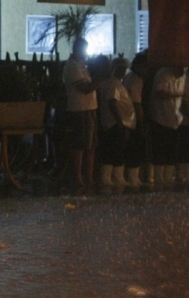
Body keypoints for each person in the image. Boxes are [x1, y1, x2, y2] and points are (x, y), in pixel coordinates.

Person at [62, 38, 100, 193]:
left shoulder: (81, 65)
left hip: (89, 108)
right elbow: (85, 88)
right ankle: (78, 177)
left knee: (90, 145)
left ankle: (88, 177)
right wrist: (100, 80)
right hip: (80, 110)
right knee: (80, 145)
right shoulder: (72, 67)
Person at [98, 57, 136, 190]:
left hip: (119, 122)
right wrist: (119, 120)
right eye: (121, 69)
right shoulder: (113, 84)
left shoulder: (118, 83)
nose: (123, 71)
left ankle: (116, 176)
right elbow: (112, 102)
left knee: (118, 150)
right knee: (113, 150)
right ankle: (108, 177)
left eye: (124, 69)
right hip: (114, 123)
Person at [149, 66, 185, 185]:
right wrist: (176, 95)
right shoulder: (163, 75)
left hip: (174, 121)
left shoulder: (181, 77)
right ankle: (159, 177)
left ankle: (168, 177)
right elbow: (160, 93)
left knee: (171, 150)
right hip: (161, 119)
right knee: (161, 149)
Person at [122, 52, 148, 187]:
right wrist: (142, 121)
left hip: (127, 117)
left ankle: (132, 176)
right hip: (134, 118)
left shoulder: (128, 77)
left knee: (132, 146)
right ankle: (133, 177)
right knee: (136, 146)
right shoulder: (136, 80)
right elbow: (136, 103)